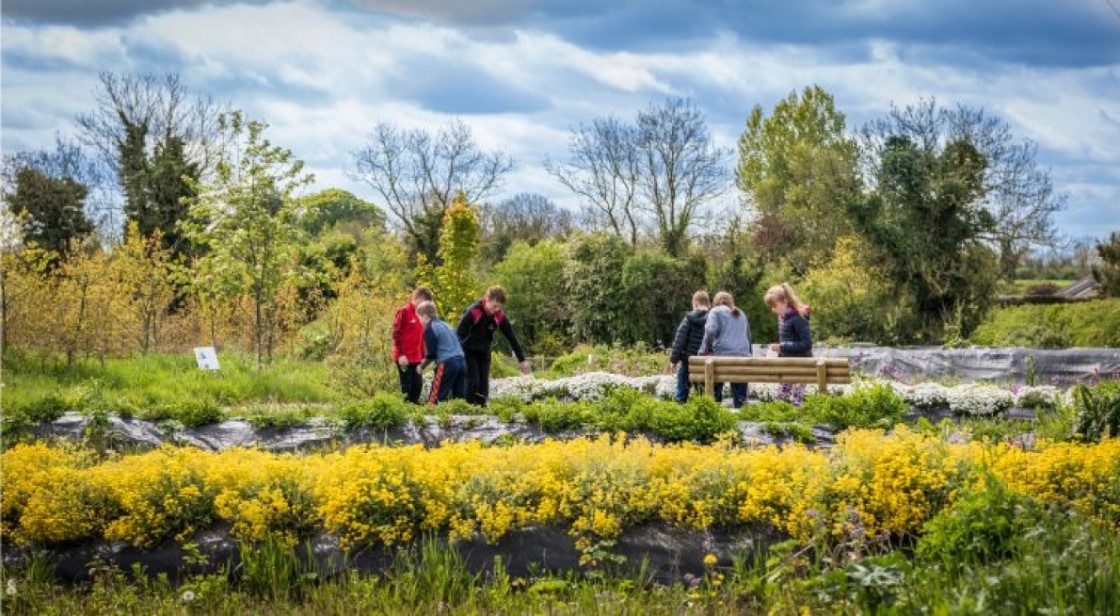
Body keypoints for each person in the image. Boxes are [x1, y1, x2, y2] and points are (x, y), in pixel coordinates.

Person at [457, 286, 531, 406]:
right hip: (468, 351)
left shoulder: (498, 316)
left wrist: (522, 360)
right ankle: (469, 410)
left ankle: (482, 410)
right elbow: (459, 334)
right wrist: (457, 355)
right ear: (487, 299)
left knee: (484, 385)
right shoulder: (473, 311)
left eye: (499, 307)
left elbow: (511, 337)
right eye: (494, 306)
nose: (496, 309)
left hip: (484, 352)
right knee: (473, 382)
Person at [699, 291, 752, 409]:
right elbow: (748, 337)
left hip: (721, 358)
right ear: (731, 302)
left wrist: (706, 349)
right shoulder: (741, 314)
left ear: (715, 303)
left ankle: (715, 411)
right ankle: (741, 411)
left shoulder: (715, 311)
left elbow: (710, 332)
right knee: (740, 395)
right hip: (742, 358)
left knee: (715, 386)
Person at [764, 283, 812, 406]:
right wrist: (779, 350)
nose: (773, 309)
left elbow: (807, 344)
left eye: (775, 306)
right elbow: (787, 340)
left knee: (796, 401)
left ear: (784, 301)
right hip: (787, 365)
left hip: (801, 365)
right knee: (781, 399)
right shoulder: (783, 318)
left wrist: (782, 346)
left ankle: (797, 423)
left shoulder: (799, 318)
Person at [416, 301, 467, 404]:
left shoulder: (430, 328)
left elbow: (432, 353)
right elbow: (461, 343)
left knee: (436, 396)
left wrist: (421, 366)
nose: (419, 321)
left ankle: (430, 415)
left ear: (425, 316)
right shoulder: (446, 325)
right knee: (459, 398)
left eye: (419, 318)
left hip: (447, 363)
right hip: (462, 362)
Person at [391, 287, 433, 404]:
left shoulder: (422, 314)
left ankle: (415, 410)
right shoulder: (404, 311)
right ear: (418, 298)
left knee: (417, 385)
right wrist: (401, 354)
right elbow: (396, 334)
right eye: (425, 301)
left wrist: (424, 356)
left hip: (417, 357)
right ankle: (407, 410)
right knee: (407, 386)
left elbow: (421, 337)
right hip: (404, 357)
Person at [669, 291, 712, 403]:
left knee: (681, 391)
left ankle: (680, 412)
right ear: (708, 304)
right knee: (702, 394)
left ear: (696, 304)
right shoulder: (713, 319)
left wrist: (673, 360)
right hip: (706, 362)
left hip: (688, 361)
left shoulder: (688, 319)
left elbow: (680, 340)